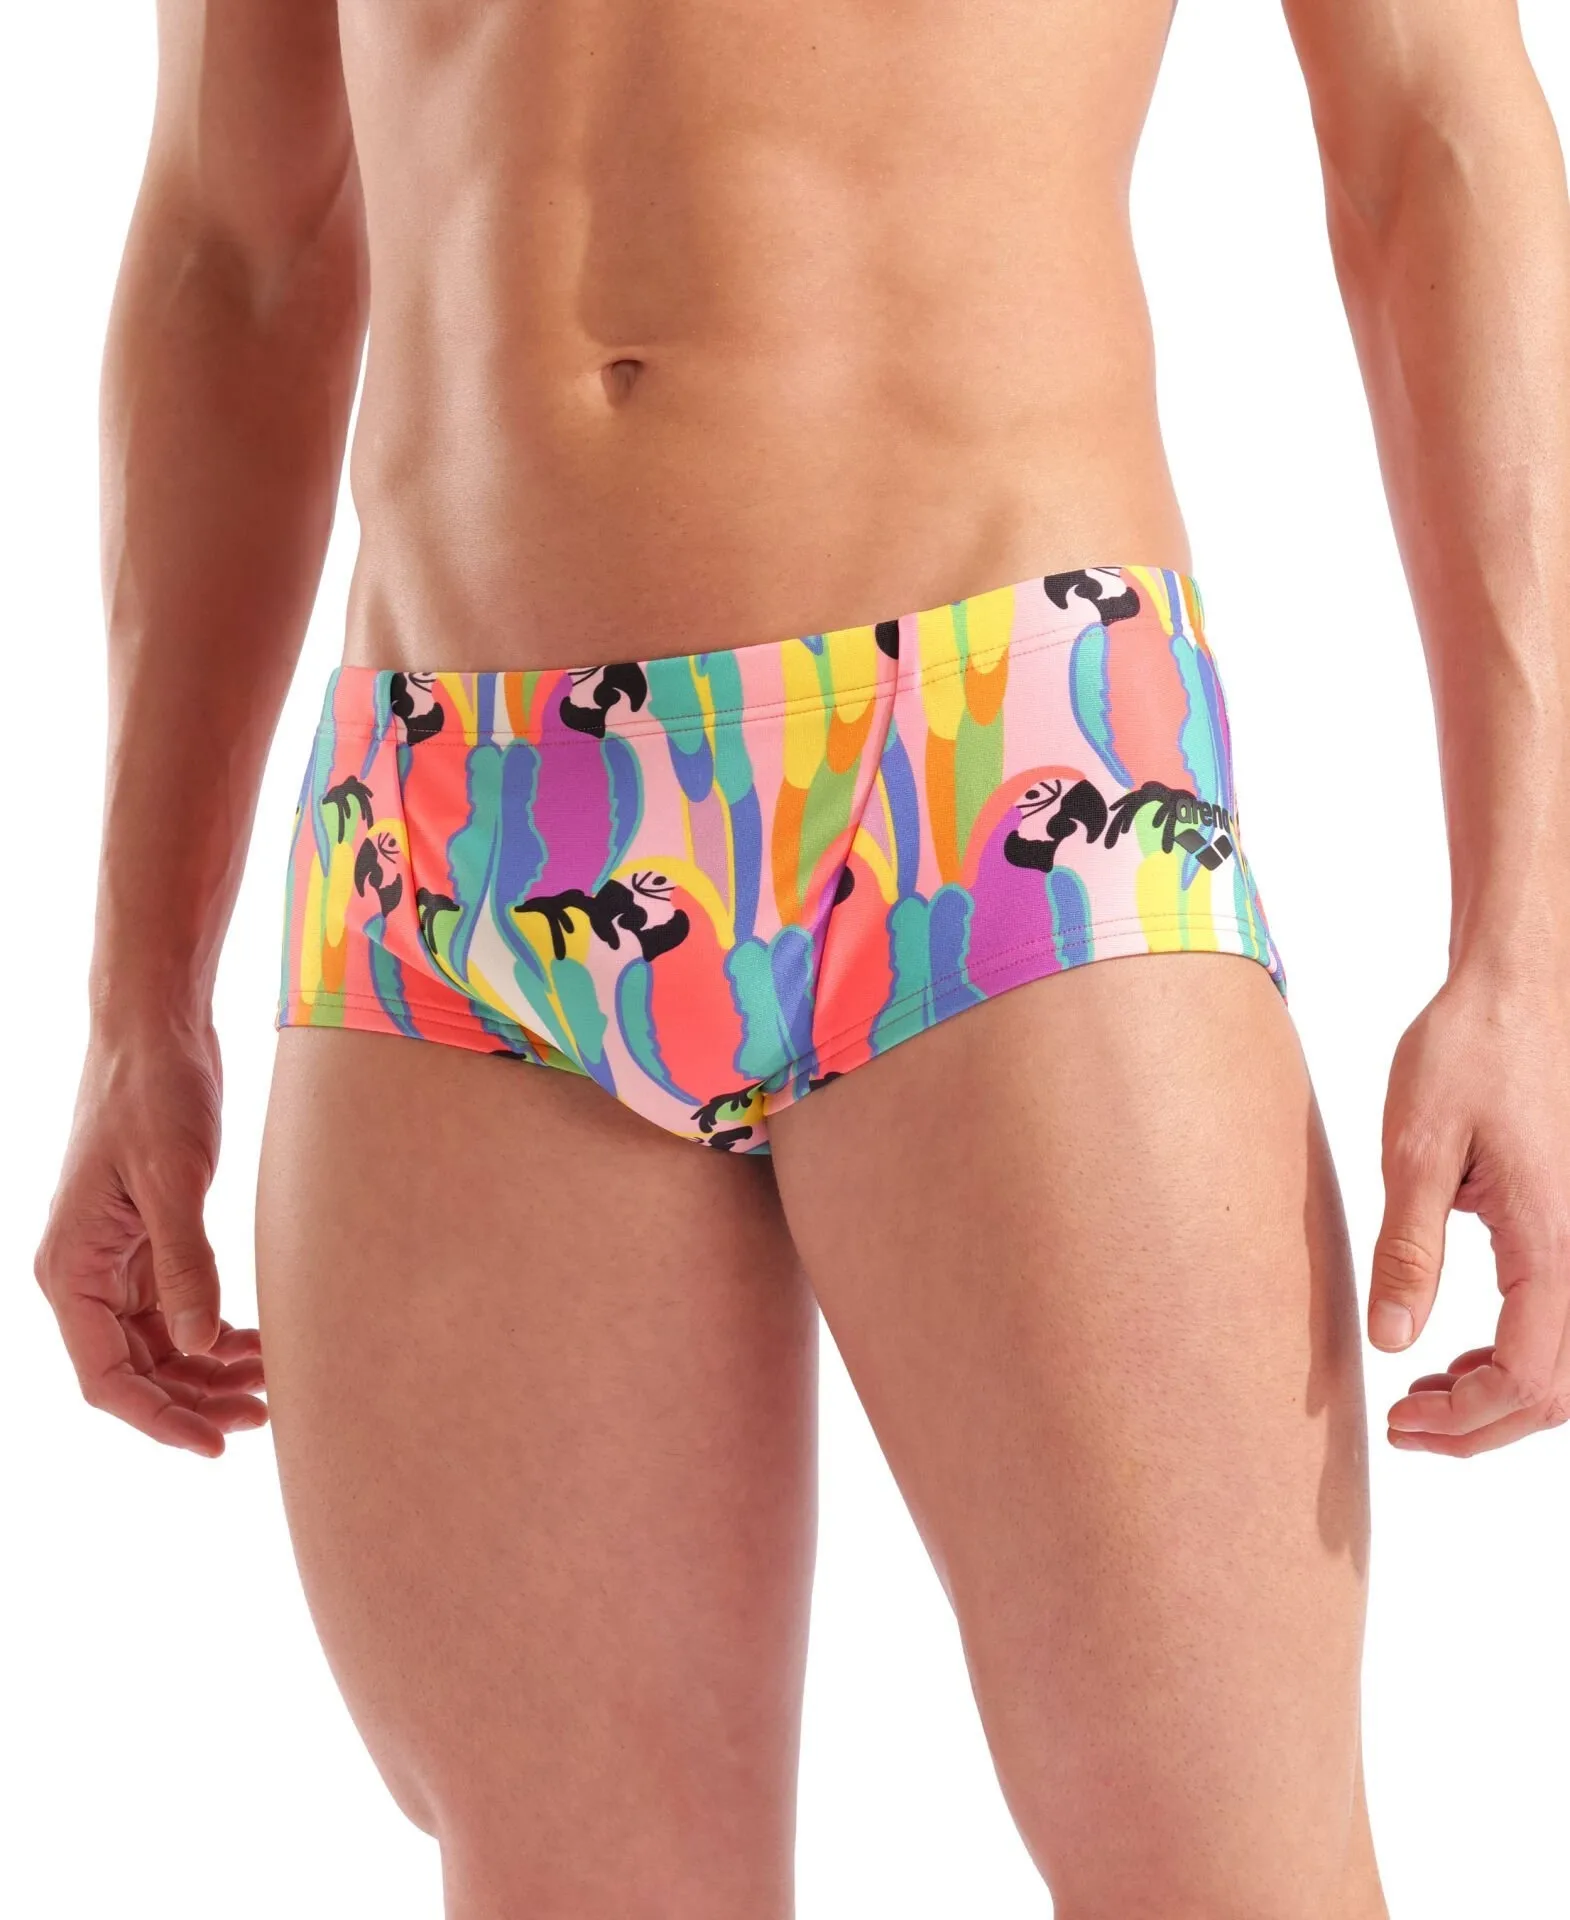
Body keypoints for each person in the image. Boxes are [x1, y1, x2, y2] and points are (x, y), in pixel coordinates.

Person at [32, 0, 1570, 1912]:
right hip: (445, 833)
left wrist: (1525, 952)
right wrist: (138, 996)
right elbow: (231, 247)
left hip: (988, 761)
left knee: (1221, 1871)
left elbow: (1430, 132)